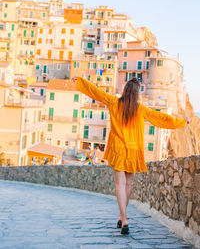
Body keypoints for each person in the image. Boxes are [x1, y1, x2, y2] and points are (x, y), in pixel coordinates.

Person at [72, 76, 191, 234]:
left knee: (119, 185)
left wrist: (80, 81)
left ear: (125, 90)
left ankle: (124, 218)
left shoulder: (114, 102)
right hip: (133, 150)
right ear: (137, 93)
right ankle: (123, 217)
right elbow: (161, 118)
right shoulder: (141, 109)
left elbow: (96, 92)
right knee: (128, 185)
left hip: (118, 149)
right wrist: (182, 121)